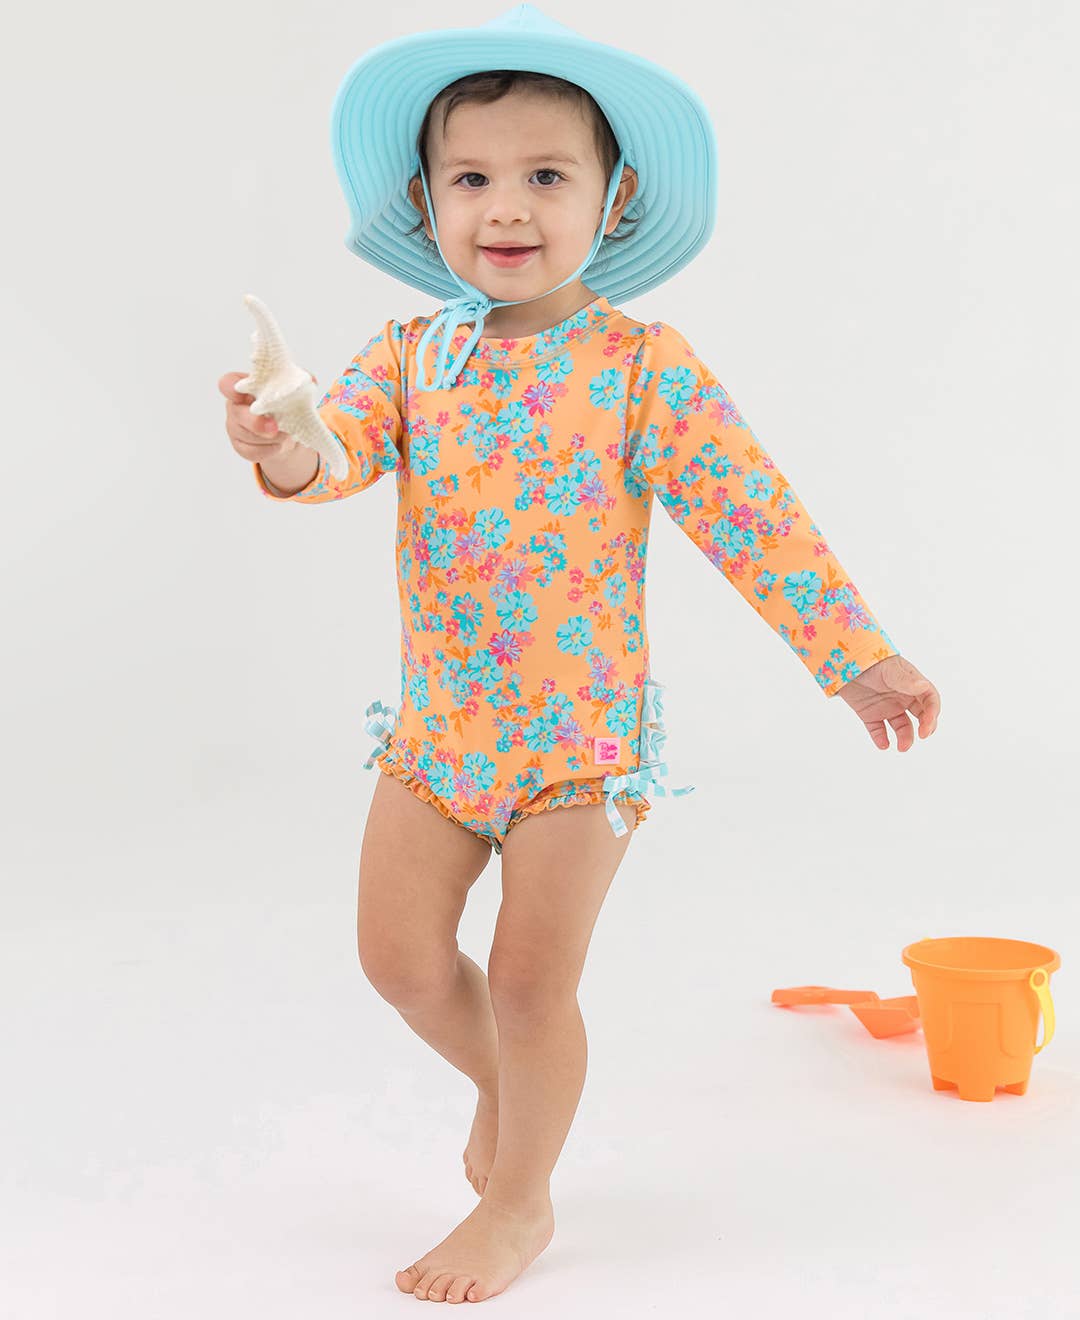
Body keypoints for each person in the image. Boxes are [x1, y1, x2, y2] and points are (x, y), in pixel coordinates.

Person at [219, 3, 941, 1304]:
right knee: (400, 964)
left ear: (614, 201)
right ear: (426, 203)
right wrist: (282, 440)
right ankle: (513, 1089)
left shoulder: (640, 366)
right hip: (439, 737)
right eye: (472, 179)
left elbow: (752, 514)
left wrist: (855, 657)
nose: (507, 206)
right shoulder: (410, 356)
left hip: (582, 747)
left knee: (530, 980)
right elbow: (334, 459)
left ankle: (519, 1201)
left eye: (547, 175)